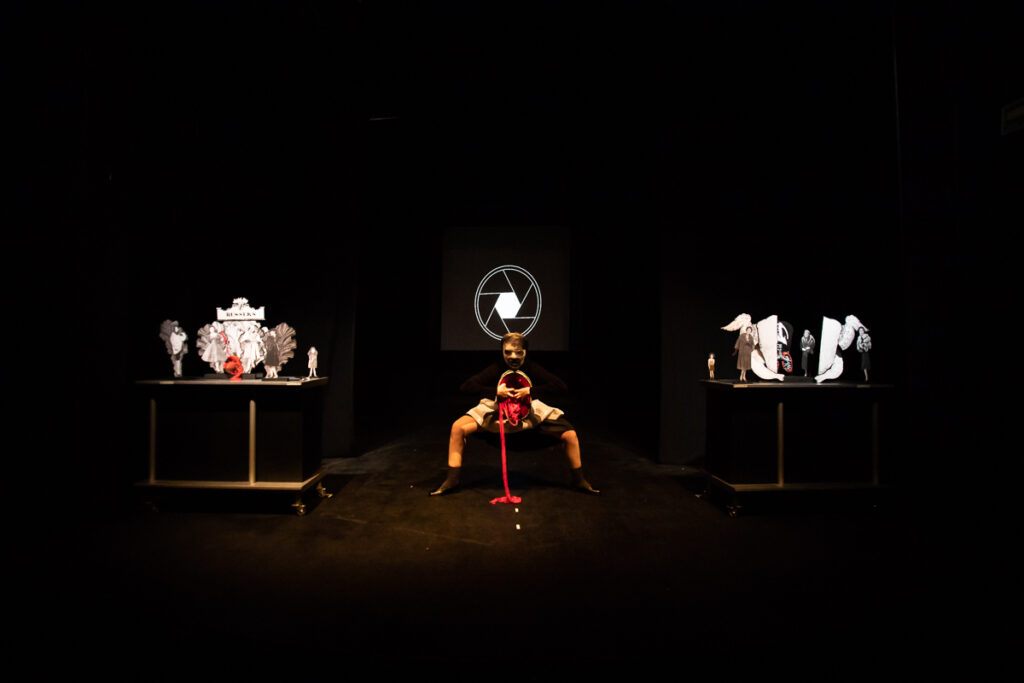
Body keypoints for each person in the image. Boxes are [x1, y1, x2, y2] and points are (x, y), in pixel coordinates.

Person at [430, 332, 599, 496]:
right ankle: (452, 480)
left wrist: (529, 391)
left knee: (570, 435)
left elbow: (560, 386)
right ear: (502, 351)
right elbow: (467, 386)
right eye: (508, 352)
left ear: (525, 351)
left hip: (528, 412)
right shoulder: (497, 367)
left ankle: (579, 480)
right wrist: (496, 392)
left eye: (518, 352)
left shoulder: (531, 367)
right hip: (499, 411)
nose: (513, 357)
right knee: (457, 428)